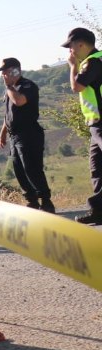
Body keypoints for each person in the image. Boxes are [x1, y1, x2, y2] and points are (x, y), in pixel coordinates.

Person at [0, 57, 53, 213]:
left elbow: (19, 102)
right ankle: (32, 201)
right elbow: (8, 114)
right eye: (2, 72)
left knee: (32, 168)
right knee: (19, 169)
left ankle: (46, 201)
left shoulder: (27, 85)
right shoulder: (10, 89)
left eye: (5, 72)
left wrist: (9, 87)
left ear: (15, 70)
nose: (3, 75)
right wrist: (3, 132)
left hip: (29, 133)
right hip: (15, 136)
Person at [65, 28, 102, 225]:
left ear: (81, 44)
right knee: (97, 168)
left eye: (71, 47)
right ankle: (99, 211)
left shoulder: (92, 62)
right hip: (95, 123)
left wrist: (73, 66)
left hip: (100, 121)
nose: (70, 52)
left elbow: (76, 86)